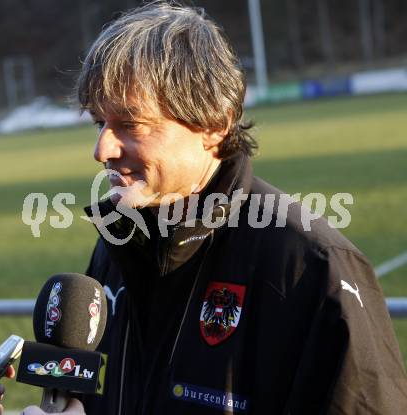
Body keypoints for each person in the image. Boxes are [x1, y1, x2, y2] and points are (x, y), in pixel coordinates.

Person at [76, 2, 407, 414]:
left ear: (214, 125)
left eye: (130, 124)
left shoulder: (312, 267)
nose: (101, 149)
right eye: (98, 123)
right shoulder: (116, 248)